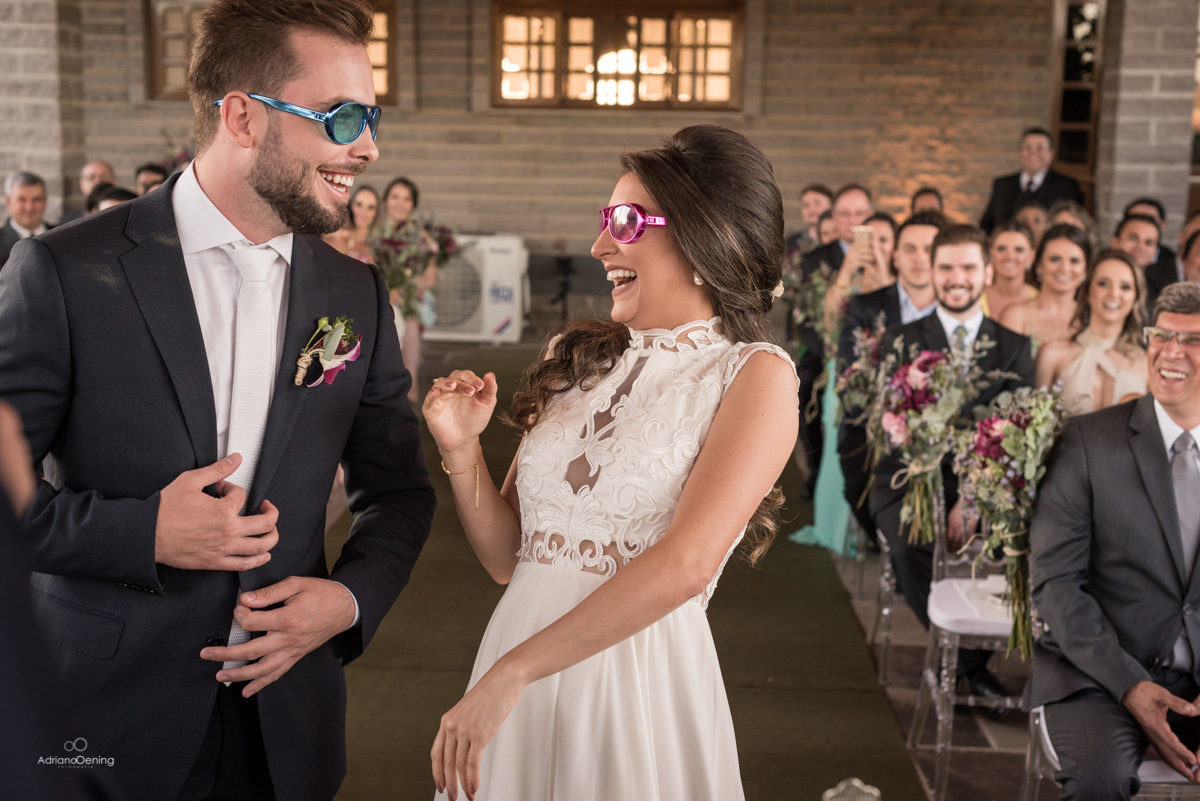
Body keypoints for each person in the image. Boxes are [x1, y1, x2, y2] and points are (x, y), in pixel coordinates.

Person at [0, 2, 436, 800]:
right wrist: (144, 530)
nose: (368, 147)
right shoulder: (62, 272)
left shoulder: (356, 293)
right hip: (99, 725)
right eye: (342, 118)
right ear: (242, 116)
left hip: (286, 731)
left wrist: (346, 599)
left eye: (370, 117)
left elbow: (401, 492)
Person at [423, 124, 797, 801]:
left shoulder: (755, 376)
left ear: (700, 238)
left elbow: (687, 564)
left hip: (634, 678)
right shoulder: (576, 354)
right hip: (516, 660)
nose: (600, 246)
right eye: (605, 220)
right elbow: (510, 556)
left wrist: (514, 671)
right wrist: (461, 448)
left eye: (624, 221)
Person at [1029, 281, 1200, 798]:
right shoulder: (1088, 441)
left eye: (1191, 340)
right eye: (1161, 335)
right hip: (1097, 674)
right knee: (1099, 784)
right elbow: (1056, 584)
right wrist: (1130, 684)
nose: (1171, 352)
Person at [870, 224, 1034, 699]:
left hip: (984, 487)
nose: (956, 277)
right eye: (946, 267)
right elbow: (891, 424)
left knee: (1007, 544)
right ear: (932, 271)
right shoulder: (901, 340)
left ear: (986, 272)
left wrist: (973, 498)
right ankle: (968, 667)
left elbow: (1014, 437)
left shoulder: (1014, 346)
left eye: (967, 267)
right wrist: (931, 492)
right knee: (909, 546)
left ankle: (964, 665)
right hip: (909, 478)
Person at [833, 211, 945, 541]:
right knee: (857, 482)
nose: (919, 258)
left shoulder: (957, 309)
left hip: (939, 432)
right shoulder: (866, 306)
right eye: (909, 249)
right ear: (895, 255)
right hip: (873, 427)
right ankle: (880, 538)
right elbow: (849, 373)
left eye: (929, 249)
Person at [797, 183, 874, 489]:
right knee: (805, 387)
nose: (853, 220)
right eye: (845, 213)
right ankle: (815, 468)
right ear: (834, 216)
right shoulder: (816, 259)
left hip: (869, 349)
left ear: (869, 215)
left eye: (860, 213)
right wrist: (831, 353)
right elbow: (805, 317)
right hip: (825, 349)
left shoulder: (881, 252)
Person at [1036, 250, 1148, 415]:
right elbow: (1034, 424)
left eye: (1125, 287)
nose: (1114, 294)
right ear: (1088, 291)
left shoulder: (1147, 364)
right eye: (1103, 283)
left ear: (1135, 297)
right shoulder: (1052, 353)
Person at [383, 175, 438, 402]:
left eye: (406, 199)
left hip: (409, 300)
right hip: (381, 295)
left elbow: (429, 279)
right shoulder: (376, 233)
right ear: (386, 200)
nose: (400, 203)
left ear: (412, 204)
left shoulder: (420, 238)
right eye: (395, 197)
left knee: (409, 320)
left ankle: (409, 384)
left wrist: (407, 285)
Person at [1001, 223, 1092, 352]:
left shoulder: (1091, 317)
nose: (1064, 268)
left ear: (1085, 269)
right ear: (1039, 265)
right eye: (1055, 259)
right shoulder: (1016, 316)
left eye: (1074, 261)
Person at [979, 126, 1084, 233]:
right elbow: (987, 224)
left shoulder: (1067, 186)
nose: (1033, 153)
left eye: (1040, 148)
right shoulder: (1002, 185)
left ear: (1051, 154)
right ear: (1019, 152)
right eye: (1027, 147)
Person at [981, 221, 1037, 320]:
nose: (1010, 256)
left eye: (1019, 250)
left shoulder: (1039, 300)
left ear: (1031, 256)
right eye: (1001, 249)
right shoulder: (975, 298)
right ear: (991, 253)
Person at [1, 171, 50, 268]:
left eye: (36, 199)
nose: (29, 207)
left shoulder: (62, 236)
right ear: (8, 203)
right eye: (22, 200)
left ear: (45, 202)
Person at [323, 183, 379, 262]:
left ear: (376, 212)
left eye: (370, 207)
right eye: (359, 204)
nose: (363, 212)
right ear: (352, 205)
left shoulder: (378, 242)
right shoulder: (339, 233)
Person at [60, 160, 115, 224]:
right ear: (81, 184)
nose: (98, 181)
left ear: (114, 180)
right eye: (91, 177)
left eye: (104, 176)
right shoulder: (67, 222)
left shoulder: (127, 212)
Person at [785, 182, 833, 255]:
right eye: (806, 205)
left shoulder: (844, 240)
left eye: (817, 203)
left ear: (832, 206)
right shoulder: (789, 245)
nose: (812, 210)